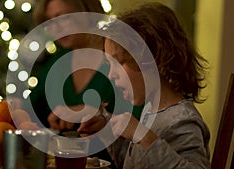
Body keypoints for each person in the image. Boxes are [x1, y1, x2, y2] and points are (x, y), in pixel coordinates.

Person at [78, 2, 211, 168]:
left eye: (119, 62)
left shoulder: (182, 120)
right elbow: (139, 163)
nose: (111, 74)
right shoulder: (151, 110)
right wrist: (108, 132)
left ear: (155, 59)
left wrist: (142, 135)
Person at [23, 0, 136, 168]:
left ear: (88, 10)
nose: (56, 28)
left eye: (63, 17)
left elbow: (142, 121)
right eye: (50, 21)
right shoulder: (57, 62)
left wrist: (93, 111)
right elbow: (27, 112)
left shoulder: (118, 55)